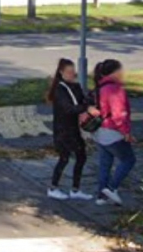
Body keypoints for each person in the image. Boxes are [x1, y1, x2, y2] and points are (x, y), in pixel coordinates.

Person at [45, 57, 96, 201]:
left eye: (73, 71)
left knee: (81, 156)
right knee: (64, 158)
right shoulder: (59, 89)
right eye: (69, 72)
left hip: (73, 129)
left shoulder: (75, 86)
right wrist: (86, 108)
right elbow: (68, 109)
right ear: (61, 72)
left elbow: (82, 101)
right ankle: (53, 188)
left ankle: (75, 189)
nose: (72, 74)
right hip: (63, 130)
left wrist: (90, 100)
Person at [93, 58, 135, 204]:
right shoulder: (115, 89)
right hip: (113, 133)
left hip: (100, 132)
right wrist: (126, 132)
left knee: (105, 165)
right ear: (114, 72)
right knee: (128, 160)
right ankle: (111, 188)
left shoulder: (99, 87)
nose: (122, 73)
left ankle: (101, 196)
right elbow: (119, 114)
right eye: (120, 70)